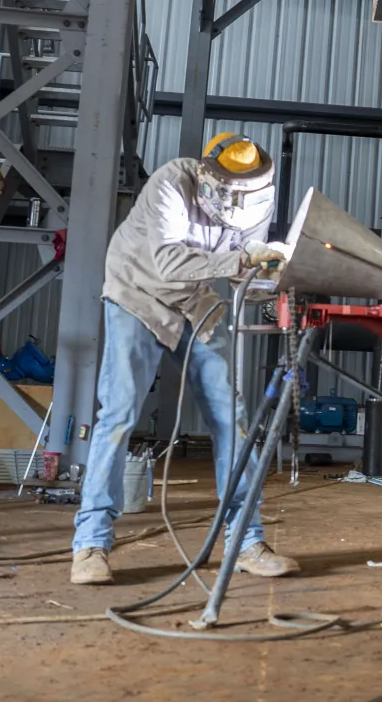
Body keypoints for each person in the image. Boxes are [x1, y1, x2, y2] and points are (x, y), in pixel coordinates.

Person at [70, 134, 298, 585]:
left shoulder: (257, 201)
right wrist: (239, 261)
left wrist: (272, 277)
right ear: (208, 178)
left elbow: (243, 278)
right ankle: (90, 545)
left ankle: (246, 540)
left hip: (196, 301)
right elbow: (169, 262)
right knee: (118, 413)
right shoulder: (171, 184)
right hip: (138, 293)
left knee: (230, 417)